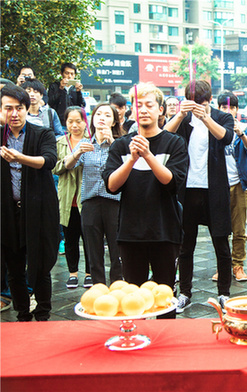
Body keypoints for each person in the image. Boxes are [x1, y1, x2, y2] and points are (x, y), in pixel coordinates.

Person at [103, 83, 188, 319]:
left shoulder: (174, 143)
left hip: (165, 229)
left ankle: (164, 343)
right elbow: (111, 185)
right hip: (130, 232)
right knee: (132, 299)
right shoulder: (121, 145)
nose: (143, 109)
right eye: (138, 105)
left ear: (161, 110)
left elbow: (172, 183)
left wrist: (149, 155)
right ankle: (135, 339)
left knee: (164, 298)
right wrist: (130, 160)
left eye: (149, 105)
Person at [164, 80, 233, 312]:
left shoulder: (221, 117)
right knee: (185, 246)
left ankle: (224, 293)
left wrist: (205, 117)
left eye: (202, 102)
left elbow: (226, 138)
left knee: (221, 244)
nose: (198, 106)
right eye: (194, 102)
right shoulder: (183, 120)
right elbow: (164, 136)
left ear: (209, 100)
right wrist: (180, 114)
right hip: (188, 190)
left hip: (215, 190)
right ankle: (184, 292)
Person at [1, 84, 59, 321]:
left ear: (27, 109)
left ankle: (43, 312)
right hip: (7, 211)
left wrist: (20, 157)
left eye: (19, 108)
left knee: (41, 264)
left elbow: (49, 160)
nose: (14, 113)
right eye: (8, 108)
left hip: (38, 210)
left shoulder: (42, 133)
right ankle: (22, 312)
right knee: (14, 267)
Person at [64, 103, 123, 286]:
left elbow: (129, 164)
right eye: (98, 114)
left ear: (114, 121)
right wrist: (77, 153)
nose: (102, 118)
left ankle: (117, 284)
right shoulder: (85, 143)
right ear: (93, 119)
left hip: (114, 201)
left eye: (107, 115)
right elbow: (67, 165)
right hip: (90, 201)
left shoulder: (121, 143)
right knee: (93, 248)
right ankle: (98, 286)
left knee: (117, 247)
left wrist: (112, 143)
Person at [217, 91, 247, 283]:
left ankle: (238, 265)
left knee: (239, 229)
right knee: (220, 229)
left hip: (239, 184)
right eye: (224, 107)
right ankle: (222, 266)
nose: (228, 110)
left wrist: (240, 132)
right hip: (218, 185)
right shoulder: (213, 128)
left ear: (237, 109)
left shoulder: (245, 127)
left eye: (231, 107)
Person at [53, 107, 92, 288]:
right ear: (65, 123)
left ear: (85, 121)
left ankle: (90, 273)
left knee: (90, 238)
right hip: (68, 198)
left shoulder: (92, 141)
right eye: (70, 121)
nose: (75, 125)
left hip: (87, 198)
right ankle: (73, 273)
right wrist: (73, 156)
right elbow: (55, 168)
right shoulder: (60, 142)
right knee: (70, 238)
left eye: (78, 121)